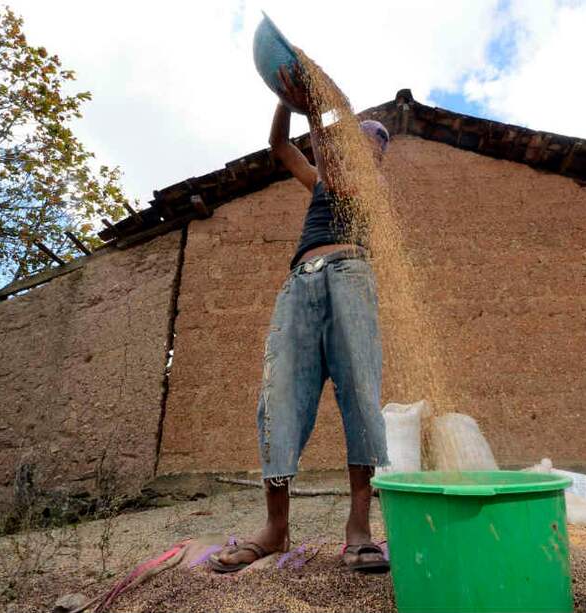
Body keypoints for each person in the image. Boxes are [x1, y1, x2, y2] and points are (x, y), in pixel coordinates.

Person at [209, 65, 391, 574]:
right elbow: (279, 147)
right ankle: (275, 528)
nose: (360, 151)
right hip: (300, 283)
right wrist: (285, 100)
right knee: (279, 396)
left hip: (350, 277)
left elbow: (338, 174)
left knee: (360, 394)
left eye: (369, 146)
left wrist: (316, 110)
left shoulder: (370, 186)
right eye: (356, 142)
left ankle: (359, 529)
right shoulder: (318, 181)